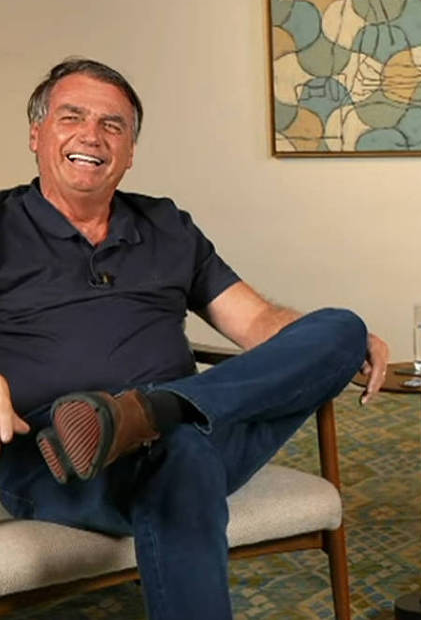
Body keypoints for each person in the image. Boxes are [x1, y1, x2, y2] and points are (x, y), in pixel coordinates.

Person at [0, 58, 390, 619]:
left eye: (114, 125)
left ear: (131, 152)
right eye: (72, 117)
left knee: (341, 327)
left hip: (197, 428)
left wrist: (327, 347)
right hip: (55, 454)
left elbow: (256, 322)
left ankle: (154, 411)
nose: (92, 135)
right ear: (37, 134)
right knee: (184, 454)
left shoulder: (165, 225)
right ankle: (161, 415)